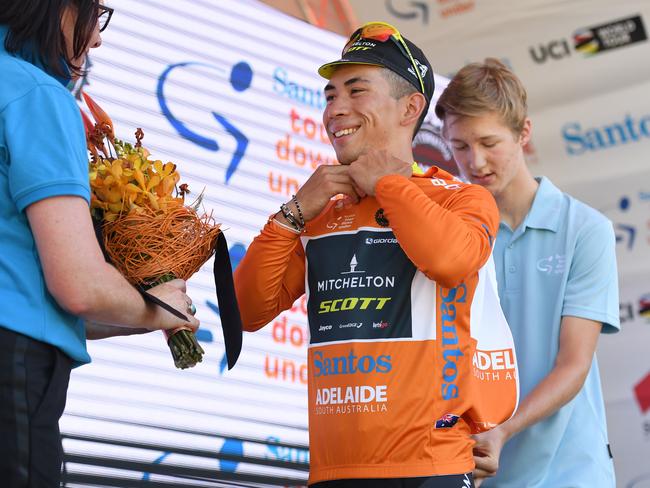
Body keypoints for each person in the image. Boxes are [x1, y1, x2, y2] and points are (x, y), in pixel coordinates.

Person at [235, 22, 515, 487]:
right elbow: (246, 311)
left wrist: (387, 184)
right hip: (333, 469)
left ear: (410, 107)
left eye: (356, 91)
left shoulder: (460, 199)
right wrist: (291, 215)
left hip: (432, 467)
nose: (335, 109)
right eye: (329, 96)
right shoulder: (319, 213)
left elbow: (449, 260)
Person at [0, 1, 199, 486]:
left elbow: (35, 292)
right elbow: (78, 285)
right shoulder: (34, 94)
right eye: (97, 15)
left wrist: (140, 316)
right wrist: (163, 307)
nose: (97, 39)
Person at [435, 58, 620, 488]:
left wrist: (502, 431)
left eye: (488, 142)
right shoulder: (447, 232)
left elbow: (573, 364)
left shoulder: (585, 229)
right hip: (475, 472)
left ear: (524, 133)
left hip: (573, 472)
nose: (474, 161)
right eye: (459, 146)